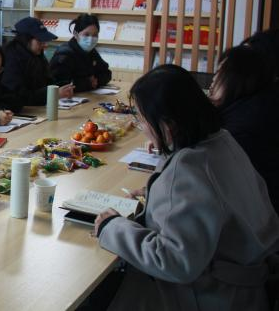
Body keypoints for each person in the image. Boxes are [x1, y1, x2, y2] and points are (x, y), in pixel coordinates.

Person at [93, 64, 279, 310]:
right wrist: (157, 196)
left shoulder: (188, 168)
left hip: (211, 295)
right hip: (251, 288)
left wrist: (112, 227)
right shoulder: (223, 140)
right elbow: (215, 199)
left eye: (142, 119)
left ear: (168, 126)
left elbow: (174, 261)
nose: (142, 127)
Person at [208, 46, 279, 212]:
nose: (213, 80)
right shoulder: (258, 106)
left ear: (238, 78)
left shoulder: (242, 128)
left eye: (220, 73)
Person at [1, 17, 73, 110]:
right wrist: (53, 94)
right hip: (19, 112)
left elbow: (48, 82)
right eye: (40, 41)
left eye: (45, 41)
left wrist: (63, 86)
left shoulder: (36, 55)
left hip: (37, 109)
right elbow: (19, 96)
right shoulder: (11, 58)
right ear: (26, 39)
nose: (45, 45)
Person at [49, 14, 111, 92]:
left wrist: (97, 80)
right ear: (76, 34)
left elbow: (107, 73)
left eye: (95, 35)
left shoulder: (91, 51)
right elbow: (60, 84)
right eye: (86, 34)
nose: (91, 39)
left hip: (87, 94)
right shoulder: (64, 54)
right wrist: (88, 83)